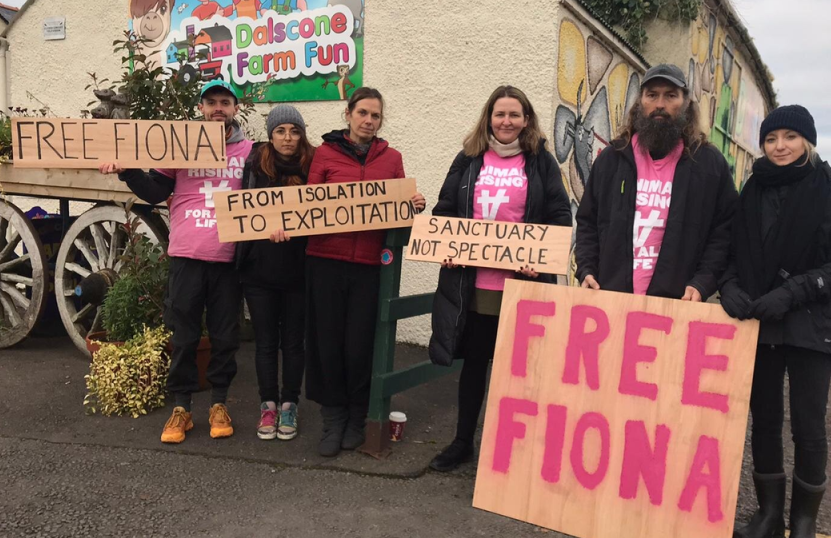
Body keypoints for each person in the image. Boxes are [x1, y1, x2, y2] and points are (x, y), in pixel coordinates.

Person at [719, 105, 831, 538]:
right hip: (760, 321)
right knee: (762, 420)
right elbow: (732, 250)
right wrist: (730, 289)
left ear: (808, 141)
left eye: (790, 137)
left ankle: (803, 525)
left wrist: (793, 292)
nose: (779, 146)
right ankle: (766, 516)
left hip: (811, 325)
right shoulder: (752, 190)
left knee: (808, 424)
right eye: (771, 138)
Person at [427, 86, 572, 472]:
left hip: (522, 286)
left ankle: (509, 450)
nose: (506, 122)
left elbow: (560, 219)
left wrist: (538, 261)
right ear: (488, 118)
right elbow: (444, 212)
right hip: (473, 288)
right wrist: (447, 245)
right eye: (499, 114)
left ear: (527, 120)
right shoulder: (468, 159)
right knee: (474, 365)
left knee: (519, 372)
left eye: (514, 115)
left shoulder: (541, 163)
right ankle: (462, 443)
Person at [99, 79, 253, 443]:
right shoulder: (179, 146)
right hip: (186, 256)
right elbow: (155, 191)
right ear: (201, 108)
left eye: (225, 102)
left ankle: (218, 403)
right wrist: (127, 171)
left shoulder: (249, 151)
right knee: (183, 336)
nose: (218, 108)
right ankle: (181, 407)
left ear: (235, 108)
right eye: (211, 102)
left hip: (229, 259)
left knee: (225, 335)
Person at [303, 88, 426, 457]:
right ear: (348, 114)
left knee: (359, 346)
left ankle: (357, 417)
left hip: (370, 267)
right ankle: (332, 418)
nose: (369, 121)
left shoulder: (393, 159)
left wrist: (414, 204)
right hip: (325, 261)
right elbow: (309, 205)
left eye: (375, 115)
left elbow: (400, 208)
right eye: (363, 113)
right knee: (327, 344)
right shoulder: (324, 154)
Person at [575, 63, 737, 301]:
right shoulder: (612, 159)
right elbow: (588, 222)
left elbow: (725, 232)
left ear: (686, 103)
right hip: (611, 299)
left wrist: (703, 282)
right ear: (640, 102)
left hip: (677, 304)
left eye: (671, 96)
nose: (660, 104)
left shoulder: (709, 165)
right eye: (652, 95)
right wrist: (586, 269)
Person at [237, 106, 314, 441]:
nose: (287, 138)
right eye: (281, 130)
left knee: (294, 343)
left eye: (294, 131)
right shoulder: (255, 164)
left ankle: (289, 405)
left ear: (301, 135)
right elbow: (240, 210)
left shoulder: (314, 164)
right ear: (271, 134)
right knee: (266, 342)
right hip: (260, 271)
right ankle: (268, 404)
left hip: (299, 270)